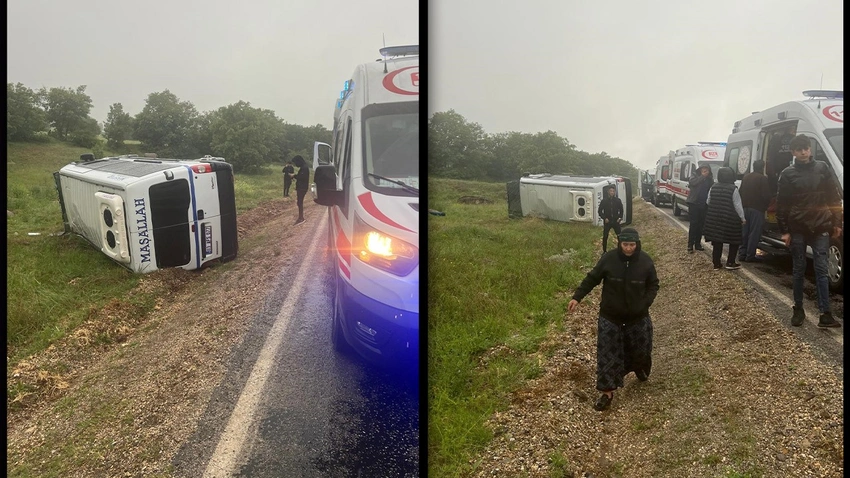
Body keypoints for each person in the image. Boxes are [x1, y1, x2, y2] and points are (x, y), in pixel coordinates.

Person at [567, 228, 659, 411]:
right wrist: (577, 297)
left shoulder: (646, 262)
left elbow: (653, 284)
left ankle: (639, 367)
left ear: (637, 244)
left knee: (641, 350)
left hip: (637, 316)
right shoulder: (608, 259)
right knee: (607, 354)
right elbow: (592, 278)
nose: (628, 249)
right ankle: (606, 392)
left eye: (632, 245)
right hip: (610, 316)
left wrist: (645, 304)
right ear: (619, 243)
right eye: (625, 244)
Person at [776, 134, 842, 328]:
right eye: (799, 149)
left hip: (821, 226)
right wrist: (785, 231)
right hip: (797, 228)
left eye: (806, 148)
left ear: (810, 149)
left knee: (822, 270)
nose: (803, 152)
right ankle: (798, 309)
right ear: (793, 152)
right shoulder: (787, 174)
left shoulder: (822, 168)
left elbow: (834, 197)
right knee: (798, 269)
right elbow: (782, 204)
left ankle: (825, 313)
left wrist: (836, 222)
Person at [703, 167, 746, 270]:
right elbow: (737, 205)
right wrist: (742, 218)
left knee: (717, 241)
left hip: (715, 218)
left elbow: (708, 201)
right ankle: (730, 262)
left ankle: (716, 264)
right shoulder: (733, 188)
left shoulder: (713, 187)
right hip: (730, 219)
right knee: (734, 240)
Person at [737, 159, 771, 263]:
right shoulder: (763, 179)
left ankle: (742, 254)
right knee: (754, 233)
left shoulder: (746, 177)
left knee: (745, 232)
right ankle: (750, 256)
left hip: (745, 208)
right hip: (757, 209)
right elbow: (766, 196)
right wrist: (765, 206)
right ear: (762, 167)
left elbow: (740, 191)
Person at [686, 165, 713, 253]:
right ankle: (690, 245)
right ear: (700, 170)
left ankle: (698, 244)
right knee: (694, 224)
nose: (705, 171)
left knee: (701, 225)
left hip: (704, 204)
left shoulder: (709, 179)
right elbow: (692, 183)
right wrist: (702, 177)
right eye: (703, 170)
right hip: (694, 203)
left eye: (707, 170)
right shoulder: (694, 176)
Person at [597, 186, 623, 253]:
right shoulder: (604, 201)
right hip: (607, 221)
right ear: (608, 192)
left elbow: (621, 210)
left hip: (616, 221)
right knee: (605, 236)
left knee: (619, 236)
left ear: (614, 192)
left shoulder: (618, 200)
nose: (612, 192)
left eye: (613, 191)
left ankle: (620, 250)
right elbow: (600, 211)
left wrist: (620, 217)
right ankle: (604, 251)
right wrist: (604, 218)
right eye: (610, 191)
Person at [292, 155, 310, 225]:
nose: (296, 164)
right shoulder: (303, 167)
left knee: (300, 202)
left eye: (296, 162)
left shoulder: (304, 168)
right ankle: (300, 217)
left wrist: (294, 176)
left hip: (302, 188)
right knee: (299, 202)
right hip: (301, 187)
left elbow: (301, 177)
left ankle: (301, 218)